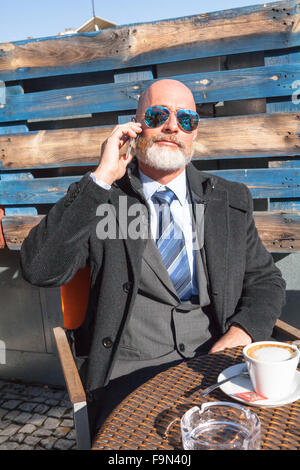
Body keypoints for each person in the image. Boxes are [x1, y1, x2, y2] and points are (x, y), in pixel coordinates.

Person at [20, 79, 286, 436]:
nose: (172, 126)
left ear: (193, 133)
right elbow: (39, 268)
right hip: (130, 377)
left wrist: (244, 330)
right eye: (158, 114)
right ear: (135, 126)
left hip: (215, 366)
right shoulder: (104, 198)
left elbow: (265, 280)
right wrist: (99, 179)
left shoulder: (228, 199)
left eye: (186, 119)